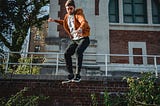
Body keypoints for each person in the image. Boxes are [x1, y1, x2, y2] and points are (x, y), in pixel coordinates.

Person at [48, 0, 90, 82]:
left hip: (84, 39)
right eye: (68, 9)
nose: (70, 10)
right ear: (66, 9)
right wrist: (54, 20)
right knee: (67, 54)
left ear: (74, 8)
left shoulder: (78, 14)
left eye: (71, 8)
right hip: (75, 40)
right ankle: (71, 74)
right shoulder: (67, 17)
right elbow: (64, 23)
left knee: (78, 52)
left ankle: (78, 75)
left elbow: (83, 21)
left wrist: (80, 29)